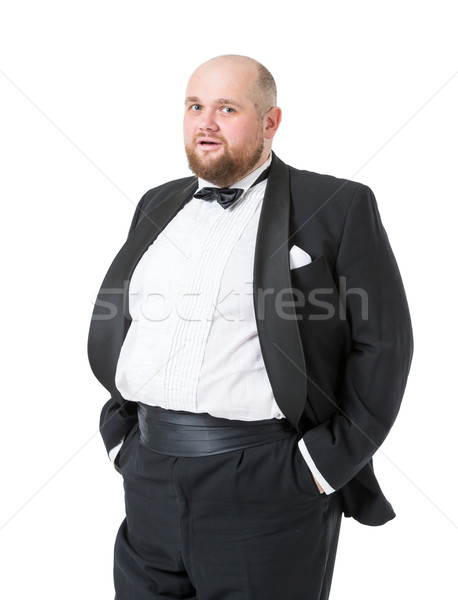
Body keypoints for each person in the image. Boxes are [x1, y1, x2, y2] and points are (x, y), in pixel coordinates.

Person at [88, 54, 413, 600]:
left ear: (270, 122)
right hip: (149, 477)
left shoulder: (336, 204)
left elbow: (384, 344)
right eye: (195, 106)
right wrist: (121, 439)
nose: (205, 122)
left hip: (269, 482)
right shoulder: (156, 202)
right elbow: (128, 319)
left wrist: (322, 465)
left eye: (227, 108)